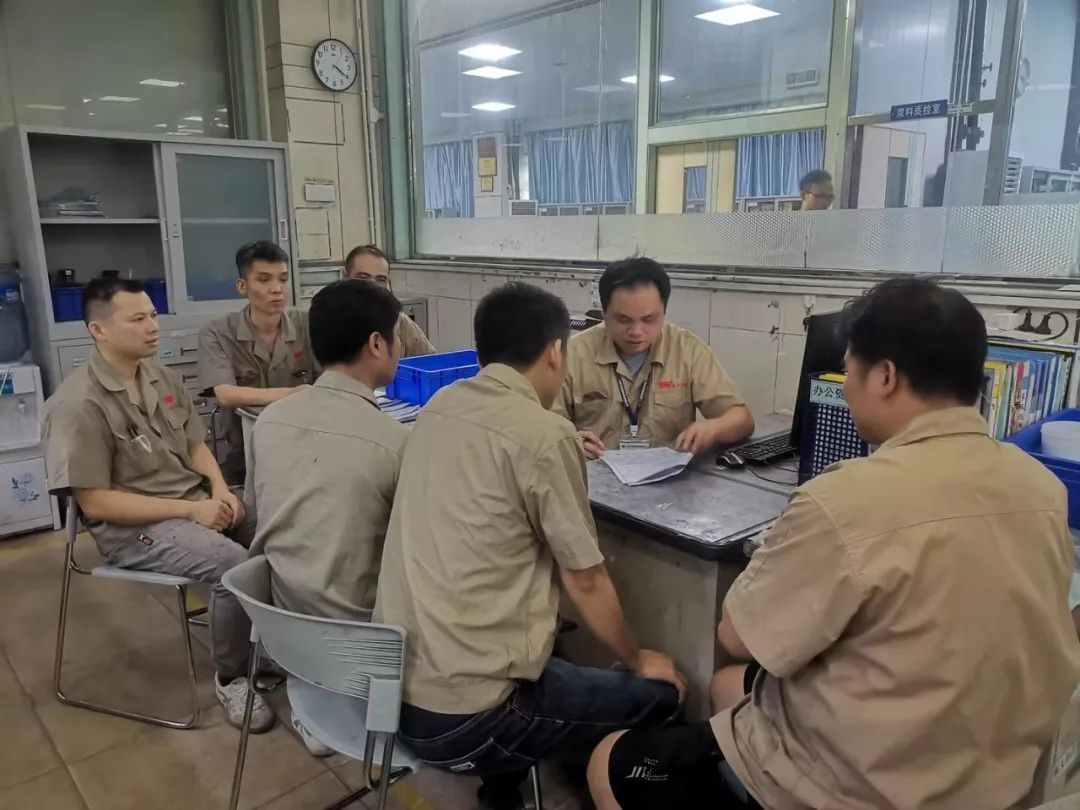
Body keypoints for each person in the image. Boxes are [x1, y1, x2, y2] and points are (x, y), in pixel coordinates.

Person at [587, 279, 1080, 810]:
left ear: (885, 376)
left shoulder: (845, 500)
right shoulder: (1043, 488)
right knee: (730, 685)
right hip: (995, 777)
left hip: (858, 789)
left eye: (848, 370)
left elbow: (737, 634)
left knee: (610, 760)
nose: (844, 387)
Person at [374, 282, 686, 810]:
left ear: (480, 352)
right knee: (661, 694)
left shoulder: (441, 405)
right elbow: (585, 579)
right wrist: (637, 659)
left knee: (554, 651)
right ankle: (605, 785)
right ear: (556, 352)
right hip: (472, 719)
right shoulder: (544, 435)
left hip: (392, 696)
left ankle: (503, 794)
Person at [43, 278, 275, 734]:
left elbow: (194, 444)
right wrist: (190, 512)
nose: (153, 326)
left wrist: (220, 489)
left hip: (195, 502)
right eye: (138, 319)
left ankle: (273, 645)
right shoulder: (76, 404)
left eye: (152, 315)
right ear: (98, 330)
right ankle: (231, 677)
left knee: (280, 532)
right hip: (133, 528)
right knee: (233, 567)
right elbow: (94, 502)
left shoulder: (161, 378)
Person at [248, 279, 407, 756]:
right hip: (364, 648)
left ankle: (313, 704)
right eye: (397, 336)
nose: (400, 347)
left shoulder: (269, 420)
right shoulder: (393, 442)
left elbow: (257, 513)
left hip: (284, 632)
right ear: (377, 344)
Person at [555, 257, 753, 459]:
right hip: (594, 473)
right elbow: (543, 429)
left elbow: (742, 420)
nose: (636, 331)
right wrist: (570, 442)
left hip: (668, 475)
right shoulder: (572, 355)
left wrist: (713, 428)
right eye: (623, 320)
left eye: (648, 319)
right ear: (604, 313)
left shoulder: (688, 350)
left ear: (664, 313)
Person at [198, 241, 315, 478]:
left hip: (306, 444)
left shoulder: (307, 324)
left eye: (283, 279)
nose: (277, 289)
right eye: (264, 280)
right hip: (246, 450)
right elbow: (224, 394)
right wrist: (294, 393)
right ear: (242, 286)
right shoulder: (217, 332)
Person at [343, 243, 436, 357]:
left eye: (381, 280)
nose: (373, 287)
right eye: (363, 278)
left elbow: (431, 361)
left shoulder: (400, 322)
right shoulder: (327, 322)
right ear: (345, 277)